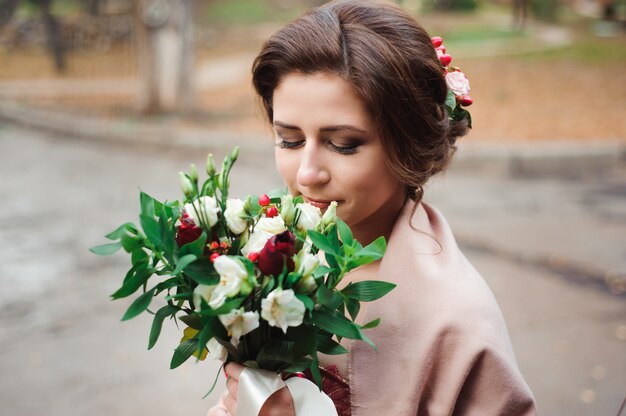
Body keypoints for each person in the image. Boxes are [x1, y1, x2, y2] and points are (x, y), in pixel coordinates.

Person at [209, 0, 536, 415]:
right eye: (289, 140)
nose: (307, 174)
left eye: (343, 145)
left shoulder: (457, 321)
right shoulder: (260, 254)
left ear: (408, 145)